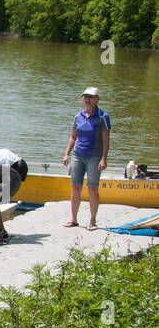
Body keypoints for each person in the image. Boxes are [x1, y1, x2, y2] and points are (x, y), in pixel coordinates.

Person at [62, 87, 111, 230]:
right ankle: (73, 219)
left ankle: (92, 221)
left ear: (97, 99)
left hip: (94, 157)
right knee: (75, 187)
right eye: (85, 97)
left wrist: (104, 159)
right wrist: (66, 154)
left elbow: (106, 140)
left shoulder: (103, 117)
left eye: (90, 97)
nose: (87, 100)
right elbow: (73, 136)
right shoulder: (78, 116)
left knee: (92, 189)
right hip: (78, 155)